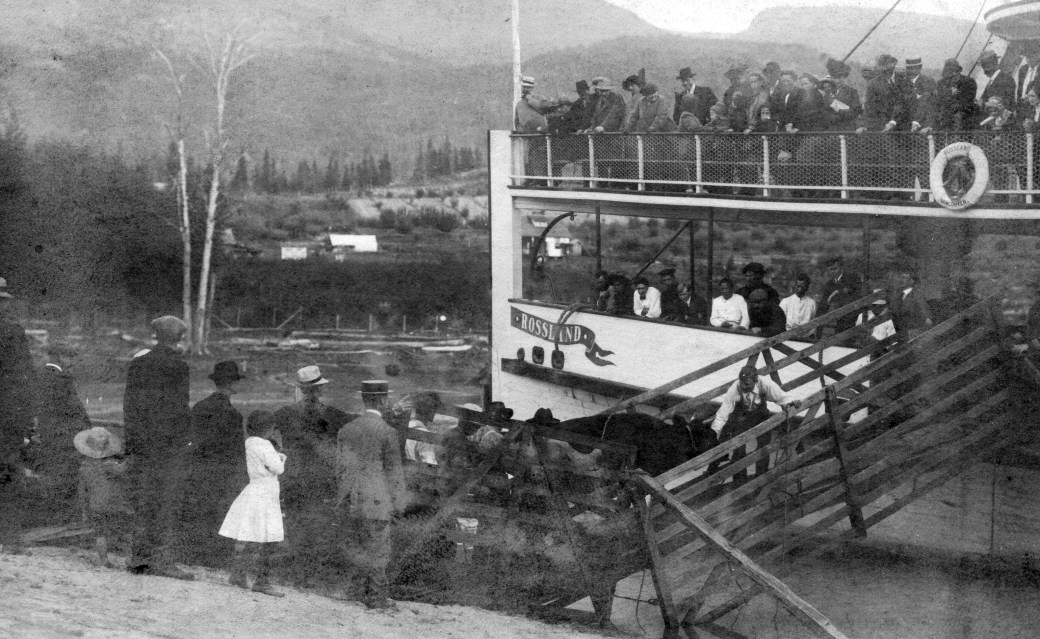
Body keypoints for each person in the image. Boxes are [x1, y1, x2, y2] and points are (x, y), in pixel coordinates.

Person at [123, 315, 194, 580]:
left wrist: (133, 443)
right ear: (179, 338)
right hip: (168, 446)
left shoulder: (139, 364)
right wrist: (184, 440)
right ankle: (162, 560)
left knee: (144, 500)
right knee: (166, 503)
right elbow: (179, 408)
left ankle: (138, 558)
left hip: (142, 445)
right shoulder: (178, 367)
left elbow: (130, 406)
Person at [335, 380, 408, 609]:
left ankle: (355, 591)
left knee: (356, 546)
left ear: (364, 399)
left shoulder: (346, 430)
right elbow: (394, 472)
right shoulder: (388, 432)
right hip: (377, 499)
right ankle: (376, 597)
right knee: (378, 549)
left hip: (351, 497)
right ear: (383, 400)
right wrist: (399, 503)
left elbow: (339, 468)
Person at [184, 360, 247, 566]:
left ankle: (197, 554)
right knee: (222, 513)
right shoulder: (233, 415)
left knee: (201, 511)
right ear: (233, 384)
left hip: (200, 467)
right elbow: (237, 451)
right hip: (223, 471)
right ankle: (218, 557)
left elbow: (191, 439)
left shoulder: (199, 407)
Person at [219, 411, 287, 598]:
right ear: (268, 429)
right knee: (270, 537)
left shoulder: (248, 443)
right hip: (266, 492)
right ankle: (262, 581)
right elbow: (278, 468)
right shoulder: (265, 444)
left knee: (250, 535)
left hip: (254, 489)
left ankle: (238, 574)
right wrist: (281, 457)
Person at [709, 365, 801, 482]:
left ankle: (761, 479)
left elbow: (782, 398)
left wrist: (791, 402)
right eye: (742, 383)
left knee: (764, 446)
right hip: (741, 418)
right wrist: (714, 433)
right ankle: (739, 481)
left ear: (755, 380)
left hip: (760, 416)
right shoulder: (735, 388)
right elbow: (723, 412)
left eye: (747, 384)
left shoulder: (765, 384)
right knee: (738, 447)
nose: (743, 386)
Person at [34, 341, 91, 511]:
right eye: (70, 357)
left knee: (53, 474)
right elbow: (74, 409)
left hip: (48, 434)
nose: (72, 362)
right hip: (65, 436)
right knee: (67, 476)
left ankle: (54, 509)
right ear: (59, 357)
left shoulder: (40, 374)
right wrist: (87, 429)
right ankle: (66, 512)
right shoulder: (61, 378)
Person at [0, 277, 34, 555]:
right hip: (7, 418)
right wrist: (25, 420)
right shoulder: (12, 332)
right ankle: (10, 538)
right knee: (10, 476)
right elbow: (24, 378)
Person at [75, 425, 133, 568]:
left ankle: (104, 560)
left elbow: (82, 490)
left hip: (95, 505)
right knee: (125, 531)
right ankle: (131, 557)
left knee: (100, 534)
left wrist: (84, 508)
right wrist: (130, 459)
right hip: (113, 503)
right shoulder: (109, 465)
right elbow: (123, 471)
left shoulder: (84, 467)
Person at [921, 59, 977, 133]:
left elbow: (966, 102)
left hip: (963, 120)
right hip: (944, 120)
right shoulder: (941, 83)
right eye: (949, 72)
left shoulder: (969, 82)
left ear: (959, 71)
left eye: (954, 71)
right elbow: (936, 104)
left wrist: (955, 92)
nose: (952, 74)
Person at [818, 256, 864, 334]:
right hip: (839, 320)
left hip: (854, 317)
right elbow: (823, 304)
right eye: (830, 270)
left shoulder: (852, 277)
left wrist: (839, 291)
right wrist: (817, 321)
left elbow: (858, 291)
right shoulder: (829, 284)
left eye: (835, 269)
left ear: (841, 268)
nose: (833, 272)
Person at [889, 266, 933, 339]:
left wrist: (927, 319)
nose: (901, 280)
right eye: (901, 277)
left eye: (905, 278)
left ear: (911, 281)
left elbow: (925, 312)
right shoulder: (899, 296)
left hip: (912, 332)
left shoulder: (917, 295)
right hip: (900, 331)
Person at [824, 58, 862, 131]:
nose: (837, 81)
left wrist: (838, 108)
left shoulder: (852, 92)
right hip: (831, 130)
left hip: (847, 129)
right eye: (834, 78)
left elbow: (855, 112)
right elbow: (824, 113)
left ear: (844, 76)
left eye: (839, 77)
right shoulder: (827, 94)